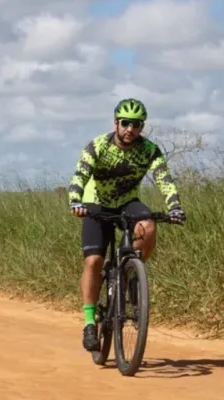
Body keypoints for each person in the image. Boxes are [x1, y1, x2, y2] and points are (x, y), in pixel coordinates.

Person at [67, 98, 186, 352]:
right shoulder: (97, 146)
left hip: (127, 202)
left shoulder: (149, 149)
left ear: (142, 127)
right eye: (125, 123)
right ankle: (89, 321)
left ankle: (132, 273)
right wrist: (75, 201)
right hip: (95, 204)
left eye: (136, 125)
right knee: (93, 261)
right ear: (116, 123)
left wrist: (174, 206)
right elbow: (79, 175)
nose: (130, 129)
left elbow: (164, 178)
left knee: (149, 224)